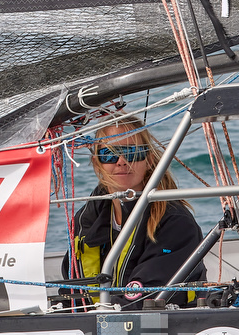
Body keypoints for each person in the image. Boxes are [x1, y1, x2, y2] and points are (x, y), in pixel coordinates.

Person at [71, 116, 205, 305]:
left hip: (161, 325)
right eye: (109, 154)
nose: (121, 161)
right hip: (99, 322)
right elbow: (71, 288)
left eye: (133, 153)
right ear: (97, 163)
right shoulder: (87, 219)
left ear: (149, 160)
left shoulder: (175, 221)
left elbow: (147, 298)